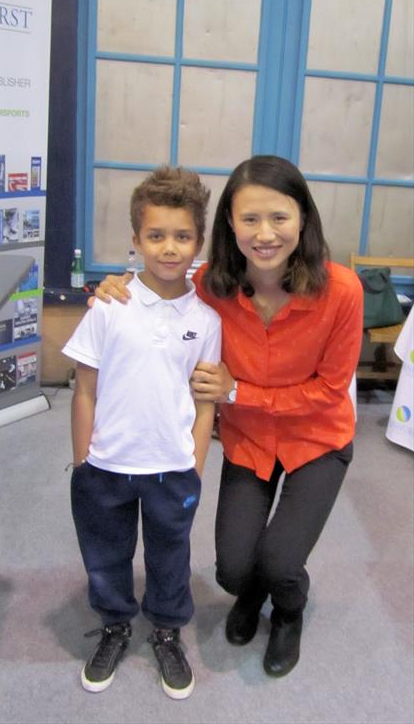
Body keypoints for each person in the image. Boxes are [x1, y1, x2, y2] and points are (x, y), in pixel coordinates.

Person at [92, 154, 363, 679]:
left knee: (282, 563)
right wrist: (109, 286)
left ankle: (289, 610)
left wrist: (239, 391)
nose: (265, 234)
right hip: (250, 442)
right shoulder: (214, 285)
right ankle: (254, 589)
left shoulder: (342, 291)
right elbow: (158, 276)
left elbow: (331, 392)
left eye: (279, 218)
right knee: (234, 572)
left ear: (302, 219)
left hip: (317, 440)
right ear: (229, 226)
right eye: (249, 220)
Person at [62, 166, 221, 699]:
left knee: (169, 555)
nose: (169, 248)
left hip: (171, 469)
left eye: (182, 236)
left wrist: (194, 463)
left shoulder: (206, 319)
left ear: (198, 242)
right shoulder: (111, 305)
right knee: (105, 554)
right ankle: (113, 623)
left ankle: (168, 629)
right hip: (106, 465)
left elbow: (204, 401)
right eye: (156, 236)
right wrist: (83, 459)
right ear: (136, 241)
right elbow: (85, 388)